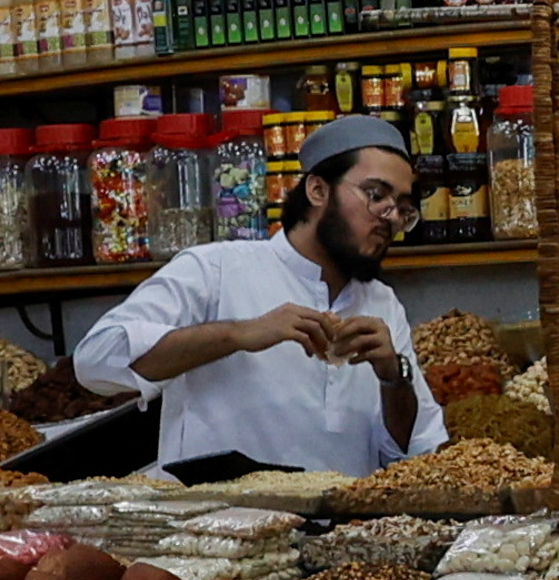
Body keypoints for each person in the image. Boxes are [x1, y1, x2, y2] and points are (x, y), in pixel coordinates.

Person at [70, 115, 444, 477]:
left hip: (338, 535)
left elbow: (413, 456)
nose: (389, 217)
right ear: (317, 190)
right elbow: (96, 360)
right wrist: (237, 334)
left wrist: (394, 377)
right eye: (375, 195)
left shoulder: (382, 304)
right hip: (215, 528)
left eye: (403, 208)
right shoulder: (215, 270)